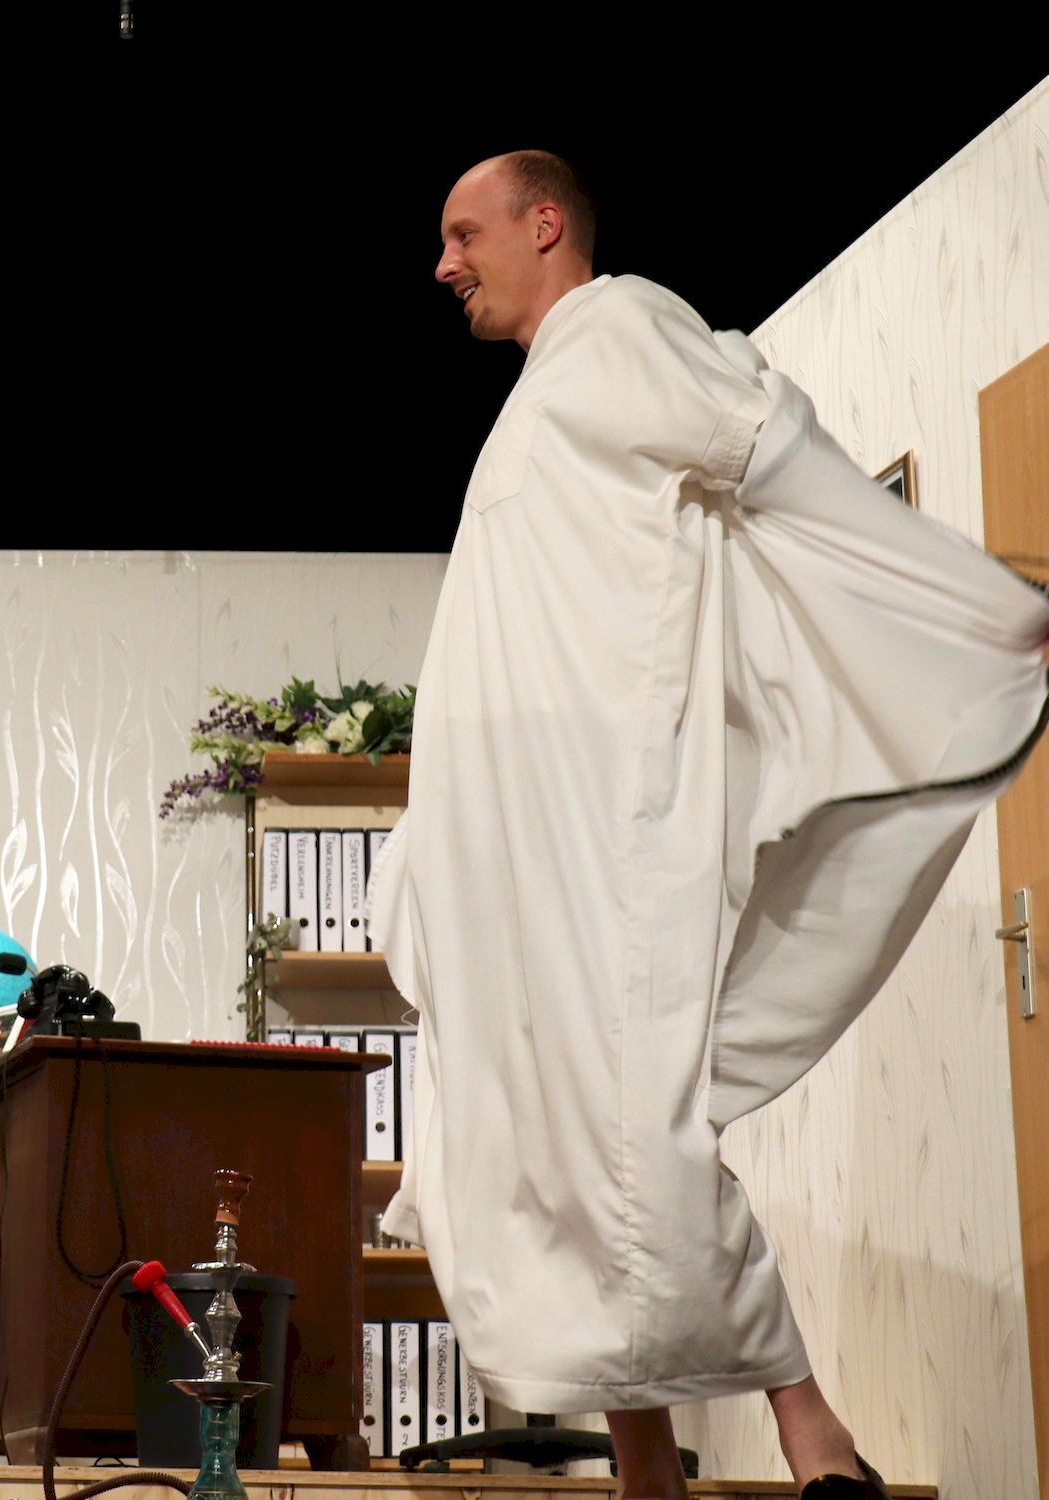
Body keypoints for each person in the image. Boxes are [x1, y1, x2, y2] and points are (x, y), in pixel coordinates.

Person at [369, 152, 1049, 1500]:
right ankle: (645, 1471)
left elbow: (767, 449)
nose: (442, 264)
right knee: (525, 1132)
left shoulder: (616, 325)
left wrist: (969, 600)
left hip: (594, 824)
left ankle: (807, 1427)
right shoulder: (542, 391)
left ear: (543, 224)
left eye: (462, 233)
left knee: (623, 1118)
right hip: (510, 838)